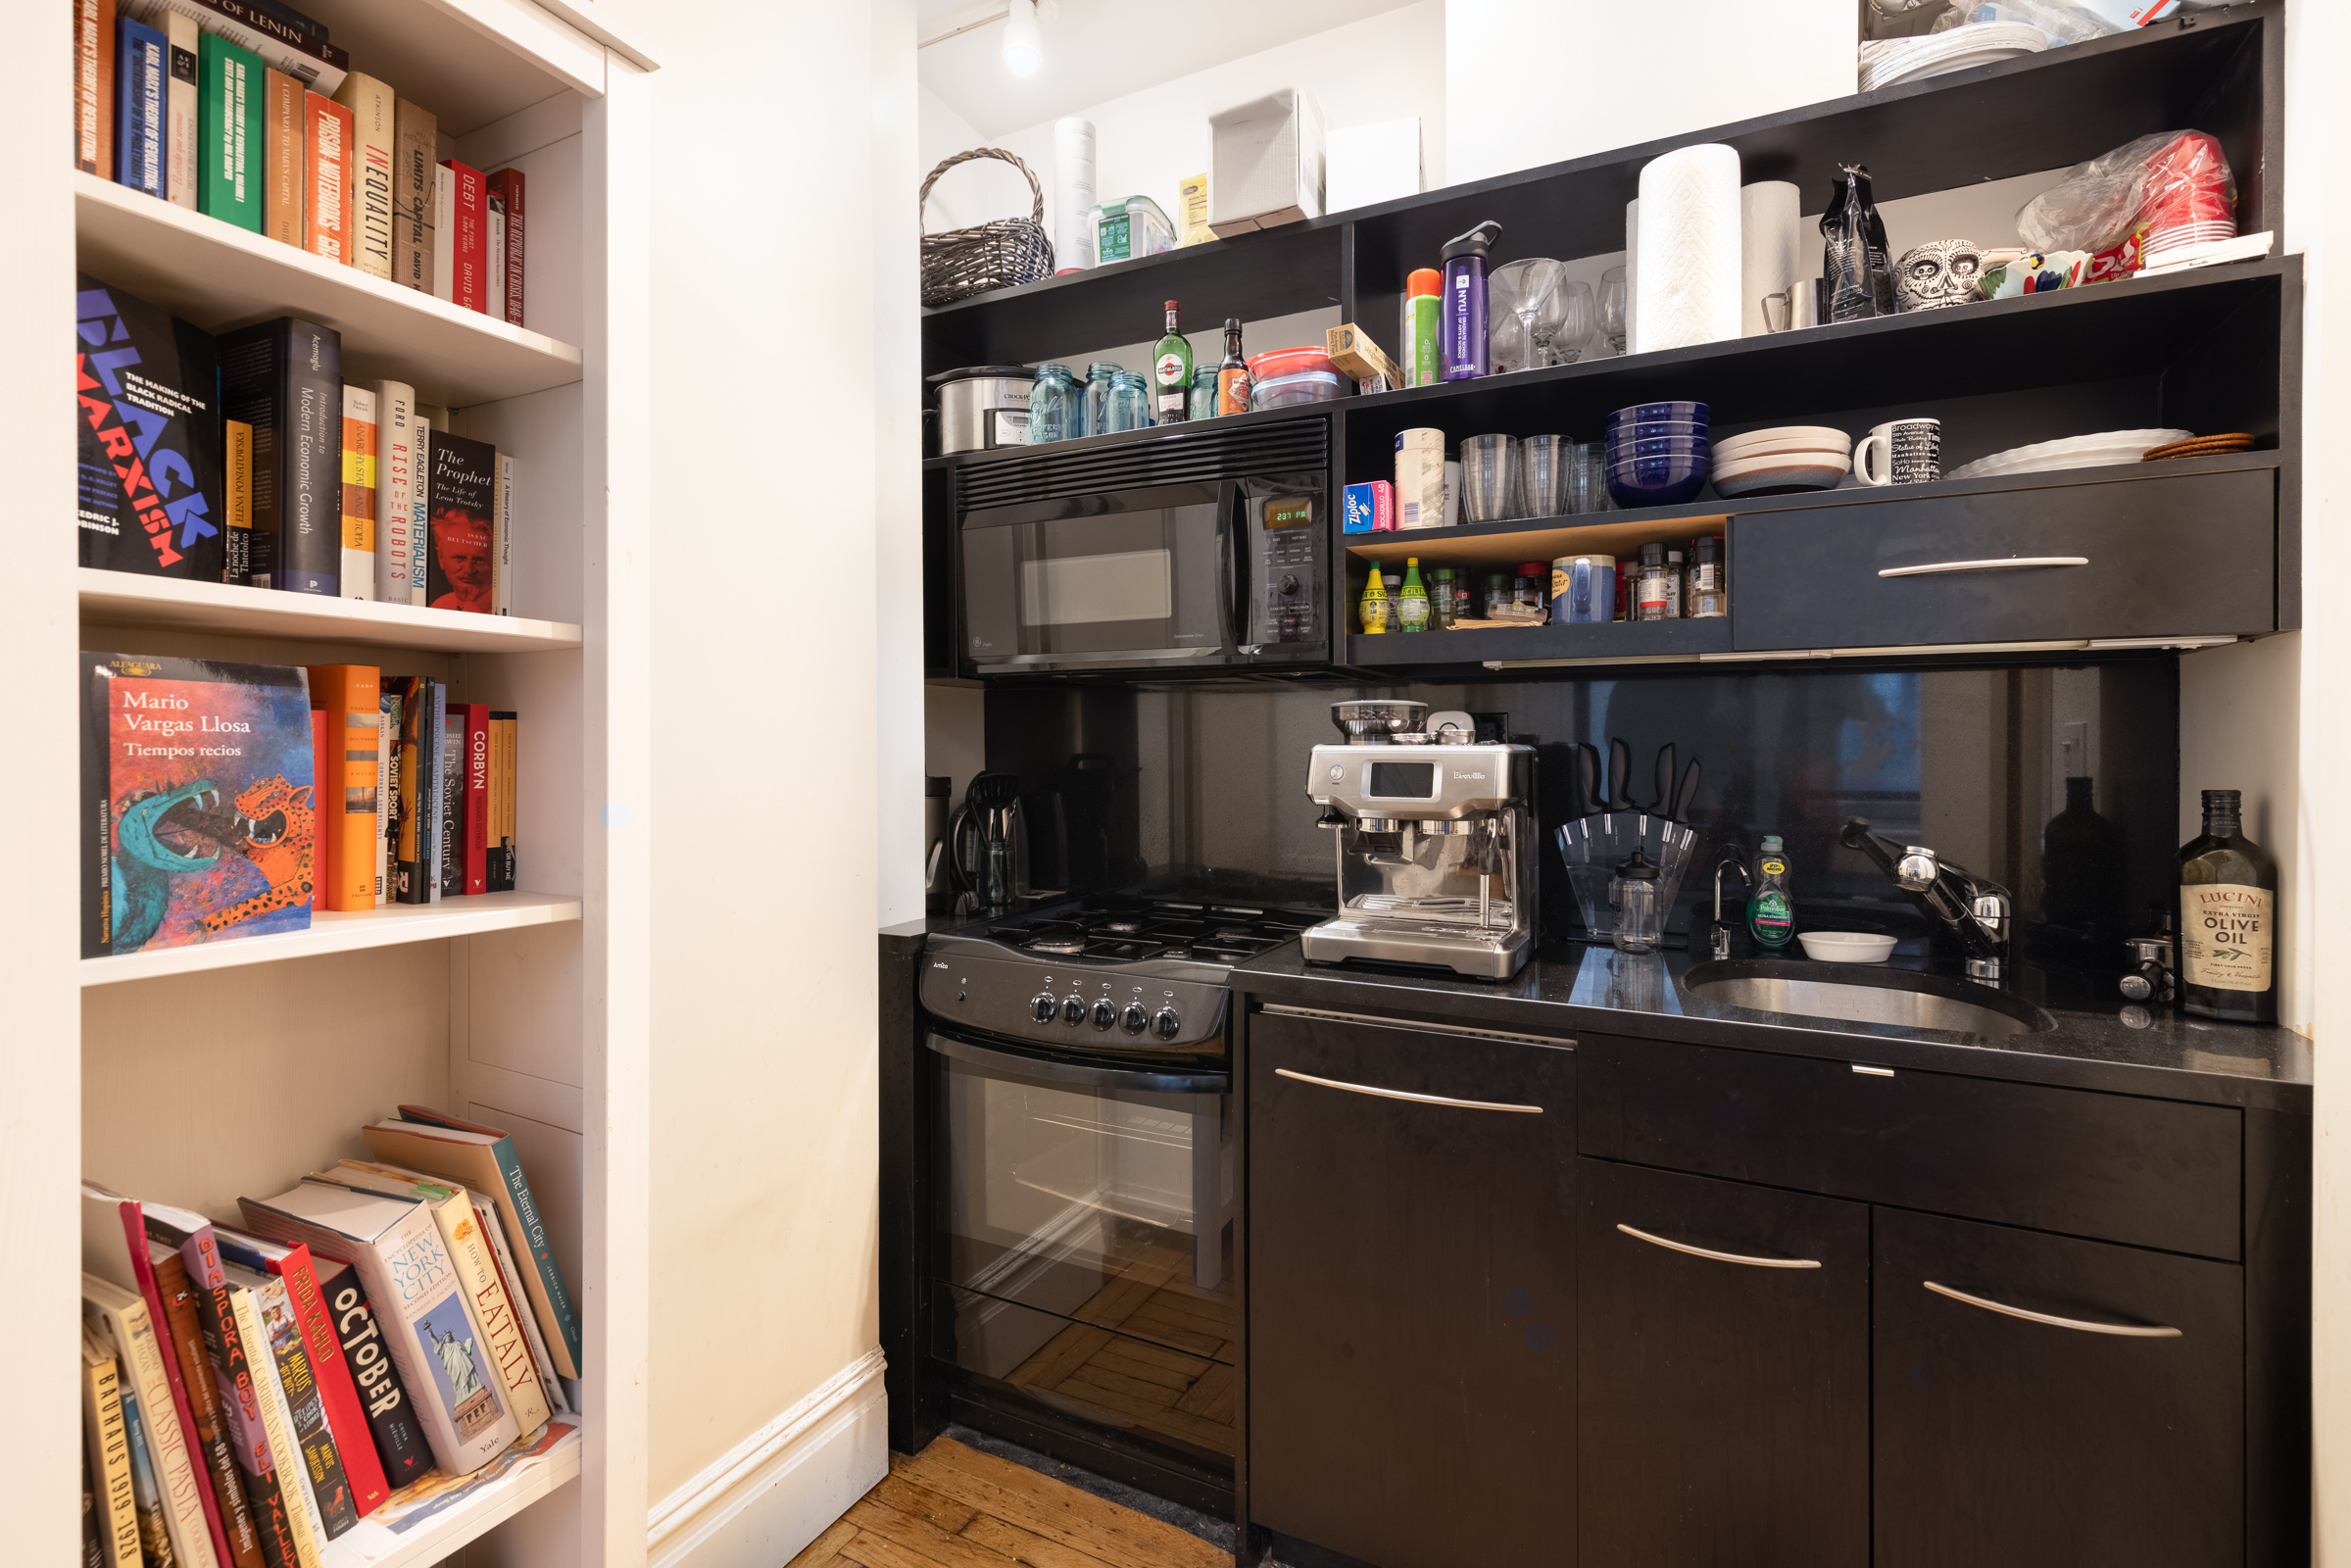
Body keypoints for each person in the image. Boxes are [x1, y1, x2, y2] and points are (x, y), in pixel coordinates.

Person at [429, 509, 493, 613]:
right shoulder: (440, 605)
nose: (469, 570)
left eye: (478, 560)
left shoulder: (500, 610)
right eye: (459, 559)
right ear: (441, 559)